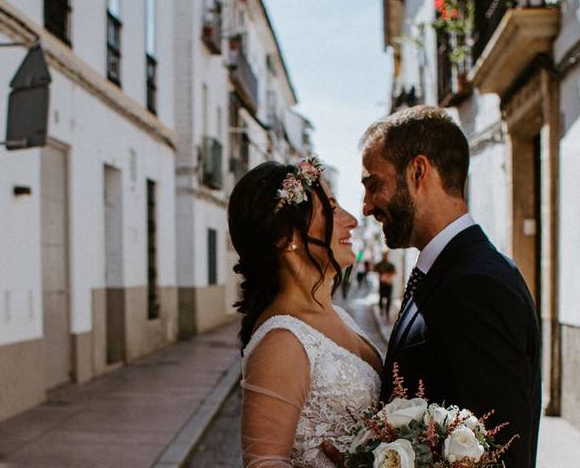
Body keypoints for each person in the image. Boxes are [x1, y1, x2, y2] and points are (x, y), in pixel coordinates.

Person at [360, 106, 541, 468]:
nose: (366, 207)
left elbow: (494, 454)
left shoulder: (477, 286)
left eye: (373, 184)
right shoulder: (449, 270)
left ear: (418, 172)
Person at [230, 157, 382, 467]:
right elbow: (264, 462)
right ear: (287, 238)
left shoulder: (341, 316)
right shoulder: (281, 342)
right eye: (332, 210)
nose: (351, 220)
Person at [373, 252, 396, 319]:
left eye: (386, 255)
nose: (385, 256)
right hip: (382, 284)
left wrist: (388, 275)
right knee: (381, 297)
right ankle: (381, 310)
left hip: (389, 283)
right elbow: (374, 269)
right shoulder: (380, 264)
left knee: (389, 298)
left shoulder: (390, 265)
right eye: (384, 255)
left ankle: (387, 313)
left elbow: (394, 272)